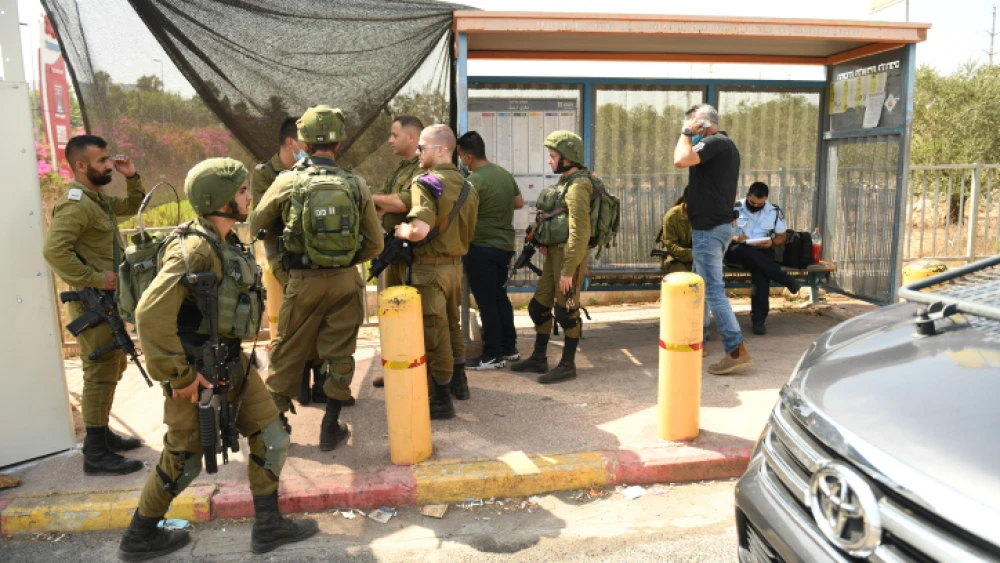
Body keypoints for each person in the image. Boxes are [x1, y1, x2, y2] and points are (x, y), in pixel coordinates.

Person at [118, 157, 318, 560]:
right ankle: (138, 537)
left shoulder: (223, 241)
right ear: (221, 201)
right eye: (242, 192)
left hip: (232, 364)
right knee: (184, 459)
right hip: (198, 374)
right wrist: (179, 376)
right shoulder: (194, 248)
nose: (248, 197)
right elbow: (149, 314)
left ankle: (268, 527)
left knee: (272, 437)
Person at [249, 105, 383, 451]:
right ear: (339, 144)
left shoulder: (287, 180)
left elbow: (257, 225)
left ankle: (274, 431)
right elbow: (376, 243)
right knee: (340, 352)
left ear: (302, 144)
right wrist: (345, 261)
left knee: (287, 352)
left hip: (302, 280)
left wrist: (286, 267)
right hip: (345, 281)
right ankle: (330, 425)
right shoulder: (357, 184)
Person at [42, 134, 146, 476]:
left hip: (107, 302)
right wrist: (97, 278)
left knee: (112, 368)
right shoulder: (76, 203)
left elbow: (135, 206)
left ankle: (103, 435)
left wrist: (132, 177)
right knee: (99, 374)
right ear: (81, 166)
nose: (108, 166)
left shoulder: (96, 200)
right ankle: (95, 453)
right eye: (102, 161)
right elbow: (55, 251)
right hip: (93, 303)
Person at [393, 124, 479, 418]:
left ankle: (441, 399)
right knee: (453, 324)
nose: (417, 152)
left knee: (435, 332)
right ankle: (459, 382)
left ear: (440, 150)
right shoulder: (469, 186)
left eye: (422, 148)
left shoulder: (426, 183)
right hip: (456, 268)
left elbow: (420, 230)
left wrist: (404, 230)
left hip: (430, 270)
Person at [249, 117, 329, 409]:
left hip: (311, 255)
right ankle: (297, 383)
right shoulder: (265, 173)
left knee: (319, 318)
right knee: (294, 322)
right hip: (281, 257)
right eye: (304, 142)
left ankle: (320, 382)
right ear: (290, 142)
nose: (308, 148)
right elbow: (263, 220)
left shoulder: (311, 170)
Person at [673, 104, 752, 375]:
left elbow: (680, 160)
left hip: (708, 230)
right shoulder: (724, 147)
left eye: (695, 126)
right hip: (713, 226)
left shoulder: (715, 143)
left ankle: (735, 349)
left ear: (703, 125)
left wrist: (685, 133)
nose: (692, 132)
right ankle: (698, 340)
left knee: (713, 291)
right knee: (700, 287)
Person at [511, 131, 592, 384]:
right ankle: (539, 357)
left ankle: (568, 365)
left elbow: (580, 233)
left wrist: (569, 270)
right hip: (555, 254)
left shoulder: (578, 187)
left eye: (553, 156)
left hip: (571, 257)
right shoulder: (566, 182)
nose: (549, 161)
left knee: (566, 310)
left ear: (568, 158)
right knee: (538, 306)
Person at [457, 131, 523, 370]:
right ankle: (509, 348)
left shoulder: (473, 182)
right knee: (499, 297)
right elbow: (519, 203)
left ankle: (492, 356)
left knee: (486, 303)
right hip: (504, 246)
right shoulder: (504, 174)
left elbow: (464, 213)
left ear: (467, 157)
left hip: (481, 247)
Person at [370, 115, 425, 389]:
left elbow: (402, 203)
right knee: (393, 310)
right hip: (393, 249)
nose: (390, 140)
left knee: (407, 312)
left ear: (412, 137)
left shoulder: (420, 169)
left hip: (410, 253)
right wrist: (384, 203)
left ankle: (412, 369)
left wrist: (371, 199)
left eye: (394, 135)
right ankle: (395, 365)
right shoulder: (400, 170)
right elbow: (386, 202)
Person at [727, 182, 801, 335]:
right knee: (748, 253)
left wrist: (772, 242)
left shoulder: (773, 211)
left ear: (766, 199)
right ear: (747, 195)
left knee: (761, 273)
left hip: (763, 249)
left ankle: (759, 321)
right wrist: (735, 237)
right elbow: (720, 234)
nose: (756, 205)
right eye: (752, 202)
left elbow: (782, 237)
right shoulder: (733, 207)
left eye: (760, 204)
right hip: (737, 249)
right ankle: (786, 280)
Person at [655, 187, 694, 274]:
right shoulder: (671, 217)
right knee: (684, 278)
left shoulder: (702, 215)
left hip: (694, 258)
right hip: (673, 257)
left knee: (705, 277)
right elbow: (671, 246)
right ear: (686, 201)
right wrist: (693, 255)